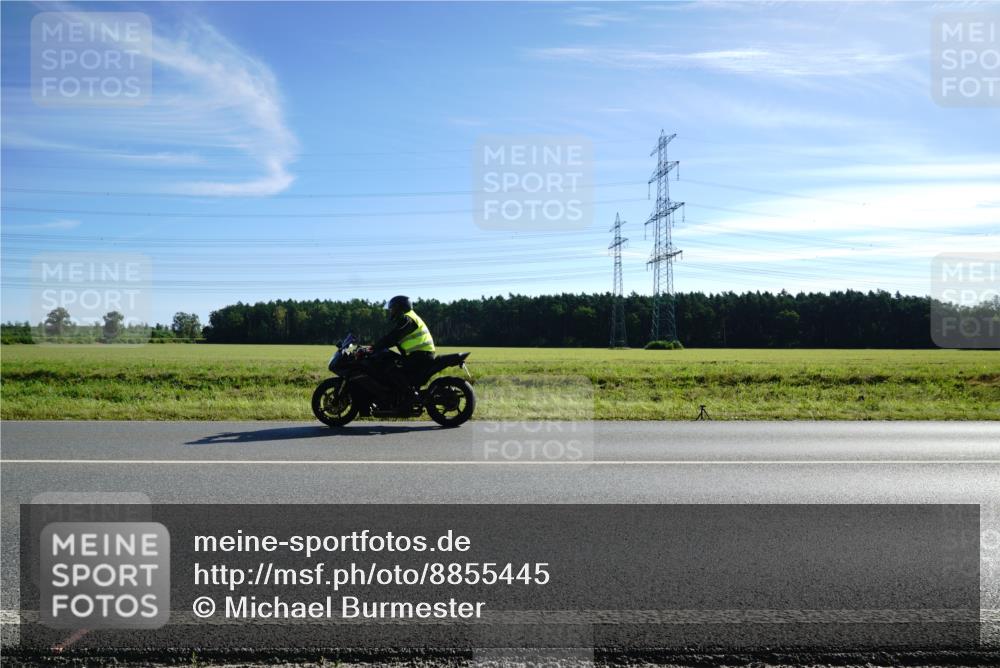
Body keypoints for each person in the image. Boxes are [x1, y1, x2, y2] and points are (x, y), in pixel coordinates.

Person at [370, 295, 436, 403]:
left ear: (399, 308)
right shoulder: (409, 317)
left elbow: (394, 336)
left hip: (421, 355)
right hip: (419, 355)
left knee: (391, 368)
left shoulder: (408, 319)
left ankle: (411, 395)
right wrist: (376, 346)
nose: (391, 311)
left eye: (392, 308)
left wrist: (375, 347)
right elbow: (393, 337)